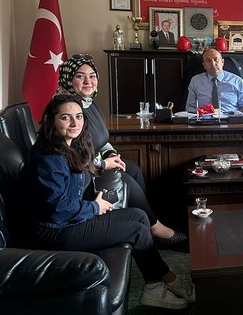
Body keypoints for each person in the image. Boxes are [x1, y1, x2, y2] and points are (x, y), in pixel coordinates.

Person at [25, 95, 196, 310]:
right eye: (65, 117)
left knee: (139, 216)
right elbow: (57, 209)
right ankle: (158, 284)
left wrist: (96, 186)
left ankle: (161, 280)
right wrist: (95, 207)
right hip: (55, 231)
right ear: (52, 121)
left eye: (79, 116)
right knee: (136, 230)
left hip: (70, 220)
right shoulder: (49, 158)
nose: (75, 123)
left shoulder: (69, 146)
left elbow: (78, 174)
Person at [58, 54, 186, 246]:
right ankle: (155, 228)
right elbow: (71, 158)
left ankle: (146, 222)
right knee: (126, 179)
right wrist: (104, 163)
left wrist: (111, 154)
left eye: (92, 76)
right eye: (80, 76)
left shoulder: (88, 103)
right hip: (82, 176)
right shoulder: (67, 110)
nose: (88, 81)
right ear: (68, 79)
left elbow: (102, 140)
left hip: (95, 163)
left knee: (133, 170)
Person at [185, 47, 243, 115]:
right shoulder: (196, 81)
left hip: (231, 119)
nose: (213, 64)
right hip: (205, 119)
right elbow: (189, 108)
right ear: (204, 65)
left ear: (222, 62)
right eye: (208, 61)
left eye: (216, 59)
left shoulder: (237, 81)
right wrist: (202, 112)